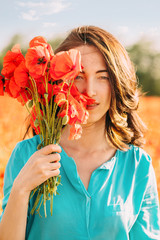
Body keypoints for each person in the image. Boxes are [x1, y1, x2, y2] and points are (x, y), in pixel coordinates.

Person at [0, 25, 160, 240]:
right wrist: (21, 190)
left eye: (103, 77)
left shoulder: (137, 164)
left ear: (117, 83)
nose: (90, 91)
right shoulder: (27, 154)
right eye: (78, 76)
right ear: (59, 82)